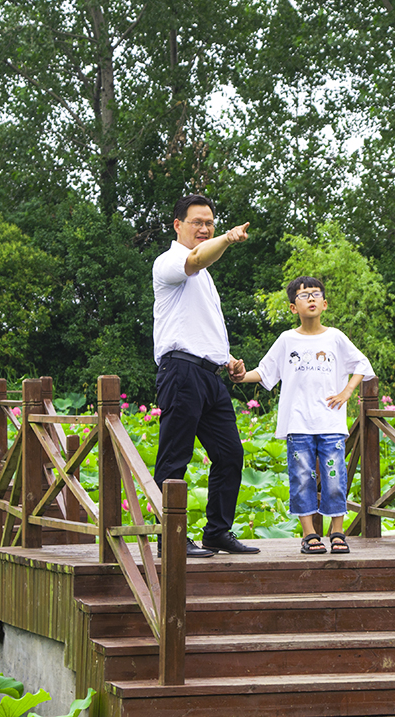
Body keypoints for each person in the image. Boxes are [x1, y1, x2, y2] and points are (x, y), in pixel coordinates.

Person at [152, 194, 260, 557]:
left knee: (230, 454)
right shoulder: (170, 261)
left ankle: (217, 532)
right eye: (197, 222)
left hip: (211, 376)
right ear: (177, 225)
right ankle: (170, 538)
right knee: (175, 457)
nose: (204, 228)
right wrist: (228, 238)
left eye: (210, 223)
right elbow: (196, 259)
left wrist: (228, 360)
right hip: (181, 371)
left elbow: (198, 325)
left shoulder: (206, 278)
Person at [236, 276, 375, 555]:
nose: (311, 298)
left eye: (316, 294)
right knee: (301, 479)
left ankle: (337, 531)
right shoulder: (287, 339)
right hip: (298, 422)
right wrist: (240, 376)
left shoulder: (335, 337)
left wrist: (347, 391)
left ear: (325, 303)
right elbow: (264, 372)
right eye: (303, 295)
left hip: (331, 421)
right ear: (293, 307)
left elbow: (362, 364)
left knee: (335, 478)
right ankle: (309, 534)